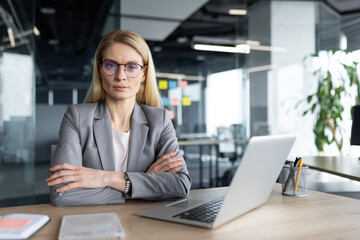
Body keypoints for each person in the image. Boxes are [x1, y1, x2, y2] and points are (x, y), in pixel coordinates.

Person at [46, 30, 191, 207]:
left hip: (143, 225)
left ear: (144, 73)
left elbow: (180, 185)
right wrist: (141, 184)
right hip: (93, 225)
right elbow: (63, 193)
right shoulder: (77, 116)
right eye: (111, 65)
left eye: (131, 67)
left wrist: (105, 178)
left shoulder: (159, 120)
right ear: (100, 70)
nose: (121, 76)